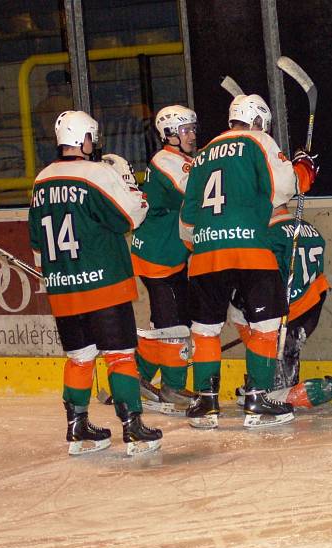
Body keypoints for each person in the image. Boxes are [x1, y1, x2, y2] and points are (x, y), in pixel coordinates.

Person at [28, 110, 163, 456]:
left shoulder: (42, 179)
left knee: (79, 357)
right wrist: (133, 188)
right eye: (91, 137)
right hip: (104, 284)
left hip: (63, 289)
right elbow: (130, 216)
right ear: (83, 139)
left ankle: (77, 427)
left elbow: (35, 242)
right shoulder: (95, 173)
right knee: (120, 356)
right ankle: (132, 426)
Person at [179, 93, 318, 429]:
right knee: (267, 324)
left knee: (206, 329)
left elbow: (187, 220)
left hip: (206, 252)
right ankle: (257, 399)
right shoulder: (259, 141)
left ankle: (205, 404)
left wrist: (203, 245)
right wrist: (305, 168)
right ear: (258, 121)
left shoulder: (203, 154)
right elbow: (285, 186)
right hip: (251, 249)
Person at [229, 205, 332, 410]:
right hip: (308, 312)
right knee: (273, 391)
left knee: (271, 398)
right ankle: (262, 379)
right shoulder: (310, 230)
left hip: (281, 316)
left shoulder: (265, 233)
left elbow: (257, 284)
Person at [130, 105, 198, 415]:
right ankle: (172, 386)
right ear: (169, 135)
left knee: (166, 321)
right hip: (158, 257)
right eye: (185, 130)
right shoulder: (165, 162)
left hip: (167, 255)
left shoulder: (183, 160)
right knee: (174, 324)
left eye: (192, 129)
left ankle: (136, 377)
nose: (191, 135)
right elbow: (193, 192)